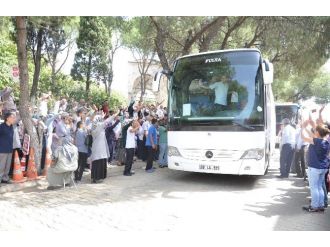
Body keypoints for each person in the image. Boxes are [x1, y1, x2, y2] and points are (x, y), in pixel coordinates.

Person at [301, 121, 330, 212]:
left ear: (317, 132)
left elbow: (304, 138)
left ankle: (314, 206)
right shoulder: (326, 142)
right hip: (323, 167)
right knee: (319, 187)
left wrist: (302, 128)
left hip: (315, 167)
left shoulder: (316, 141)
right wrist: (306, 128)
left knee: (314, 187)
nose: (314, 131)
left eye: (315, 130)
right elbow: (313, 136)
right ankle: (320, 205)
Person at [90, 111, 117, 183]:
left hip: (100, 148)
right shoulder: (98, 126)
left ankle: (97, 177)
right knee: (98, 162)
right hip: (99, 148)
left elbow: (104, 122)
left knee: (99, 162)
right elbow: (107, 121)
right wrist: (114, 115)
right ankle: (96, 177)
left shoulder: (96, 126)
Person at [0, 112, 16, 184]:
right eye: (12, 117)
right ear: (7, 118)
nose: (14, 119)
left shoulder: (11, 127)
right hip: (2, 150)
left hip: (9, 149)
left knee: (7, 166)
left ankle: (5, 178)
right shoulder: (1, 127)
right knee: (1, 166)